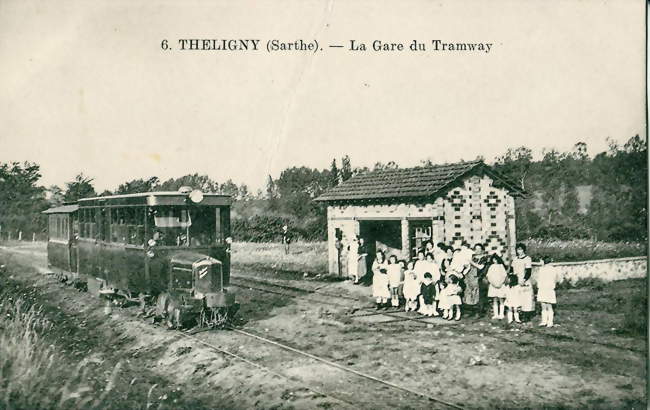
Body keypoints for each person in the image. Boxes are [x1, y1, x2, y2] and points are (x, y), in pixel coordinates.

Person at [512, 243, 534, 321]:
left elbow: (528, 271)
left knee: (526, 298)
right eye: (518, 249)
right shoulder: (515, 259)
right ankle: (518, 315)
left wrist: (524, 280)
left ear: (523, 250)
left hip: (524, 280)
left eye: (521, 249)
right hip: (516, 280)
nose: (519, 251)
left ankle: (526, 315)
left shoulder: (527, 259)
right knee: (518, 298)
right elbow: (512, 269)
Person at [463, 243, 487, 317]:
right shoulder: (472, 257)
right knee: (469, 293)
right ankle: (469, 311)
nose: (477, 250)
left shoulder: (484, 258)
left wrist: (471, 262)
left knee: (478, 294)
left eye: (479, 249)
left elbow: (480, 267)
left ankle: (479, 312)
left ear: (482, 250)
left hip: (478, 277)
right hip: (470, 276)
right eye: (476, 249)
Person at [536, 256, 559, 327]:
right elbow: (539, 279)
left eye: (541, 261)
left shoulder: (553, 269)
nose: (540, 263)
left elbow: (555, 279)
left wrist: (552, 285)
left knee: (549, 305)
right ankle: (544, 321)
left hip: (548, 288)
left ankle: (550, 322)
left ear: (544, 261)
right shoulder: (541, 269)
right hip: (542, 288)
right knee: (543, 305)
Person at [486, 253, 508, 320]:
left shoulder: (501, 266)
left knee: (501, 300)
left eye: (496, 259)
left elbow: (504, 276)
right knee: (494, 300)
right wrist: (493, 283)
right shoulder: (491, 266)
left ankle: (501, 314)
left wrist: (500, 283)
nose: (494, 260)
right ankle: (496, 314)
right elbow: (488, 276)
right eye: (493, 259)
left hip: (500, 285)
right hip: (493, 285)